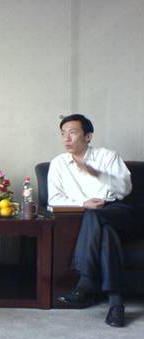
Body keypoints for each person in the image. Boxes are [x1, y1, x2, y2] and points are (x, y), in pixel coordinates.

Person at [48, 113, 137, 327]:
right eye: (63, 133)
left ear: (88, 136)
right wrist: (82, 203)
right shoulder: (58, 163)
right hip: (89, 215)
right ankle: (116, 304)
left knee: (96, 217)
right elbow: (53, 200)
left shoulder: (108, 157)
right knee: (106, 234)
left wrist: (98, 174)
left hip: (118, 210)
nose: (66, 138)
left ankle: (85, 283)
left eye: (73, 132)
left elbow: (125, 189)